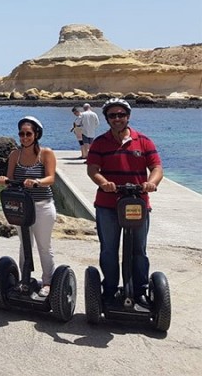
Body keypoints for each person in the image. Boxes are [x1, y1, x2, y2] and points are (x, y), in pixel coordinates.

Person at [87, 98, 163, 310]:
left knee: (138, 250)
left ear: (128, 116)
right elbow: (93, 169)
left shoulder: (144, 141)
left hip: (138, 203)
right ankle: (110, 290)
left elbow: (156, 167)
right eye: (113, 115)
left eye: (121, 114)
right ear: (107, 119)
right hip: (107, 204)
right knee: (109, 250)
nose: (117, 118)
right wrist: (104, 183)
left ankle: (139, 291)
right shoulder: (100, 143)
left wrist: (151, 183)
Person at [0, 116, 57, 298]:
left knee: (43, 246)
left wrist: (37, 182)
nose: (24, 137)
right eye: (21, 134)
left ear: (36, 134)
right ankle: (24, 279)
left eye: (28, 133)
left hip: (42, 206)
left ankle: (47, 281)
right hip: (21, 206)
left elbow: (51, 178)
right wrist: (3, 180)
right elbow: (10, 180)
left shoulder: (46, 153)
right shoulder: (15, 155)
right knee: (25, 245)